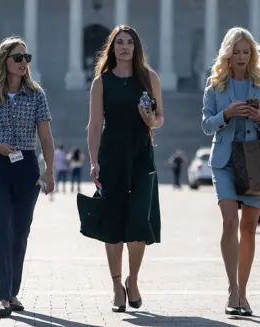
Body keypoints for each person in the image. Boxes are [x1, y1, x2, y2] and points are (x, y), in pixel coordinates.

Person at [0, 36, 55, 318]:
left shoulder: (37, 94)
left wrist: (49, 170)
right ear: (4, 60)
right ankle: (3, 296)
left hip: (26, 167)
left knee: (20, 232)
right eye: (18, 58)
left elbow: (46, 137)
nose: (23, 63)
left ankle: (13, 292)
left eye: (26, 58)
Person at [201, 27, 260, 316]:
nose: (242, 57)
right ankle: (232, 290)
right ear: (227, 55)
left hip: (256, 161)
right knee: (230, 221)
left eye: (247, 52)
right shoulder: (214, 84)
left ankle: (243, 293)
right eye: (237, 52)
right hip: (224, 160)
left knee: (249, 228)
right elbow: (206, 124)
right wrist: (227, 114)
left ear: (252, 54)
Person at [87, 25, 163, 312]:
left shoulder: (149, 78)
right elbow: (94, 125)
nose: (125, 47)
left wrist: (150, 119)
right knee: (114, 221)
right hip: (112, 155)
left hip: (142, 155)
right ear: (112, 47)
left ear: (136, 47)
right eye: (119, 42)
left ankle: (133, 280)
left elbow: (160, 118)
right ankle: (117, 284)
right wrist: (94, 161)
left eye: (130, 42)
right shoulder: (101, 82)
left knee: (139, 221)